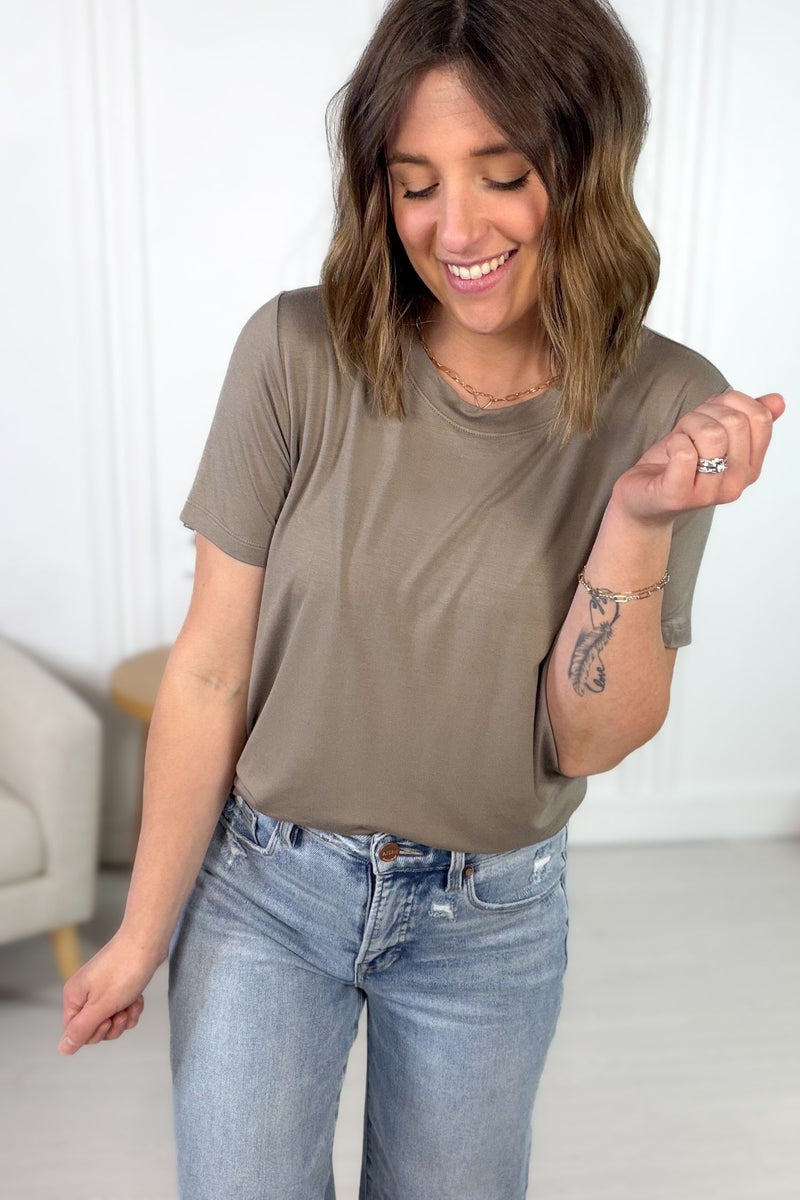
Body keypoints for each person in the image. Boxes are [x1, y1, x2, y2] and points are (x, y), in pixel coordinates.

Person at [57, 1, 784, 1197]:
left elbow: (587, 738)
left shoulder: (665, 405)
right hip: (266, 894)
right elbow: (209, 668)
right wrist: (141, 934)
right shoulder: (293, 355)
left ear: (585, 163)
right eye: (413, 184)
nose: (454, 229)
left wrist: (638, 519)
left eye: (501, 176)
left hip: (488, 920)